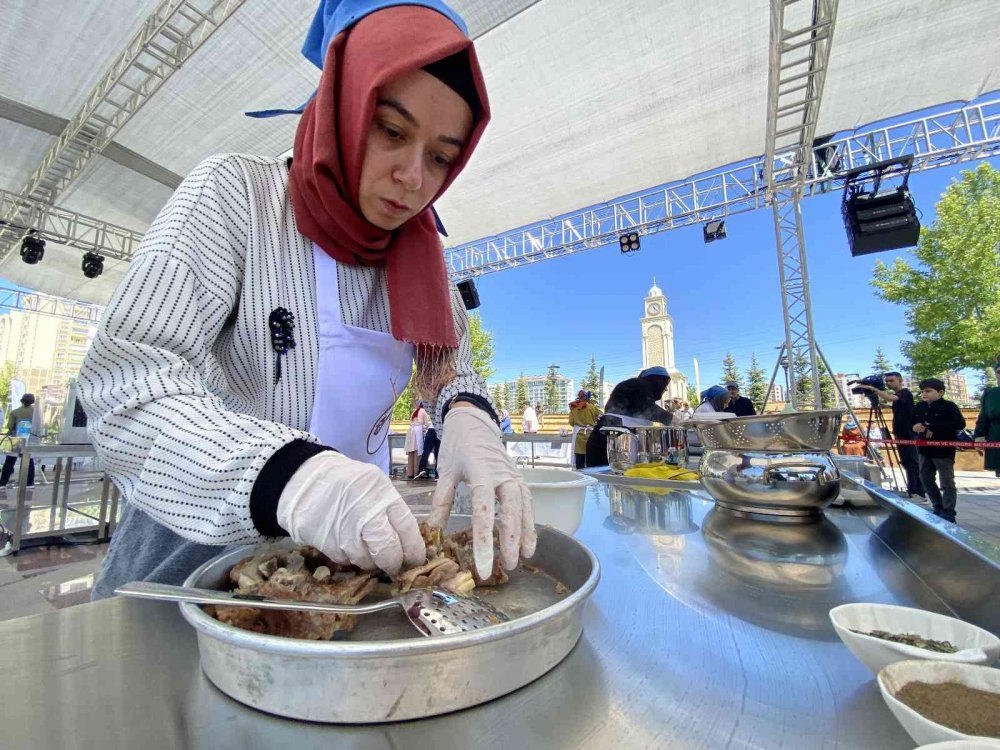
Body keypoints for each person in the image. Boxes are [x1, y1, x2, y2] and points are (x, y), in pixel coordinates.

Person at [77, 0, 535, 598]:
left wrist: (470, 415)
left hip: (349, 574)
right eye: (392, 131)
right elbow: (126, 385)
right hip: (192, 569)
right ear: (346, 105)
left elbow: (452, 374)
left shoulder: (422, 261)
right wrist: (289, 478)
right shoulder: (237, 199)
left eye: (441, 157)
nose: (413, 177)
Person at [585, 366, 673, 467]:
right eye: (664, 384)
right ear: (658, 380)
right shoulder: (641, 385)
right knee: (610, 475)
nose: (665, 389)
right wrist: (673, 419)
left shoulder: (633, 387)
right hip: (613, 439)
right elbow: (648, 409)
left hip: (607, 436)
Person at [855, 371, 924, 498]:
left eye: (891, 380)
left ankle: (919, 491)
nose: (888, 383)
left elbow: (890, 398)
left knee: (912, 462)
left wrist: (872, 389)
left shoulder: (905, 393)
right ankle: (912, 489)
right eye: (887, 381)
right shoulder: (897, 395)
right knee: (906, 462)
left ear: (900, 380)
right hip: (900, 432)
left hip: (908, 433)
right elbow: (889, 400)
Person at [911, 378, 966, 523]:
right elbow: (912, 422)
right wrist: (915, 426)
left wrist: (932, 426)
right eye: (922, 391)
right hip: (924, 449)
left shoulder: (949, 406)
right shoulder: (919, 407)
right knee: (925, 478)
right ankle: (937, 506)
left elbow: (959, 423)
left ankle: (949, 512)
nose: (924, 394)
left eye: (928, 391)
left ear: (940, 392)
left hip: (943, 450)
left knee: (946, 482)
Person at [1, 394, 38, 487]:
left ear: (22, 401)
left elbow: (10, 426)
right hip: (31, 440)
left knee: (10, 461)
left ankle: (2, 483)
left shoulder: (15, 412)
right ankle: (30, 483)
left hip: (18, 440)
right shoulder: (37, 413)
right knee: (29, 461)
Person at [974, 362, 1000, 478]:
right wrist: (979, 437)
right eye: (999, 372)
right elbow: (983, 417)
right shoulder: (990, 393)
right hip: (996, 434)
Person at [568, 390, 602, 469]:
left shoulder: (573, 408)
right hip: (590, 434)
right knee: (590, 456)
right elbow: (600, 415)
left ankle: (580, 474)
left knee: (579, 457)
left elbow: (571, 422)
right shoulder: (592, 407)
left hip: (579, 436)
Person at [404, 401, 431, 479]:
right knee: (417, 452)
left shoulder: (414, 411)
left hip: (411, 431)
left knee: (411, 452)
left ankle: (410, 472)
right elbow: (426, 423)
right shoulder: (423, 411)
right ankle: (416, 472)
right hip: (417, 432)